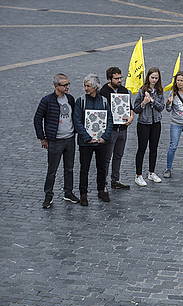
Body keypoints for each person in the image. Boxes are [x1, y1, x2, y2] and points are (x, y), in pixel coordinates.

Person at [33, 74, 79, 209]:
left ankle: (68, 192)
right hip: (55, 141)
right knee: (52, 170)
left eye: (68, 84)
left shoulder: (70, 99)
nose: (67, 87)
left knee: (69, 168)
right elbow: (37, 119)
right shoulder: (47, 101)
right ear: (56, 86)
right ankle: (48, 196)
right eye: (64, 85)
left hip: (70, 139)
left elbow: (75, 116)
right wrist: (42, 138)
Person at [73, 74, 113, 206]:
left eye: (88, 86)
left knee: (101, 167)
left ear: (95, 87)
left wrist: (104, 137)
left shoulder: (104, 101)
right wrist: (87, 137)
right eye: (85, 85)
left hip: (101, 142)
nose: (85, 88)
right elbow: (77, 121)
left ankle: (101, 190)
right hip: (86, 143)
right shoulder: (81, 101)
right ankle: (83, 194)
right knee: (84, 168)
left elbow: (109, 120)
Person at [99, 66, 133, 190]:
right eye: (116, 78)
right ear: (109, 79)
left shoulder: (124, 90)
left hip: (123, 129)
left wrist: (131, 117)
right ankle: (103, 182)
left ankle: (115, 180)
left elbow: (130, 108)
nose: (119, 80)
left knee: (118, 155)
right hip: (111, 130)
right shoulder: (103, 92)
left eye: (120, 78)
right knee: (107, 157)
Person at [133, 67, 165, 186]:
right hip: (143, 123)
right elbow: (136, 109)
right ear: (148, 77)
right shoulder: (142, 90)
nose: (154, 80)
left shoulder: (159, 91)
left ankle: (151, 172)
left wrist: (152, 101)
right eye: (152, 77)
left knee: (154, 148)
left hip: (156, 123)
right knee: (142, 149)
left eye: (156, 78)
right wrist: (144, 103)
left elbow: (161, 107)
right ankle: (138, 175)